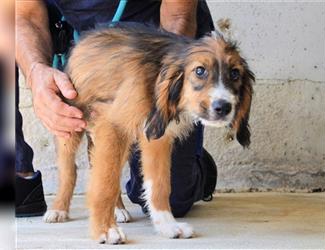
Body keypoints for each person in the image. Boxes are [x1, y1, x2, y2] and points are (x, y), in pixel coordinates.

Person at [15, 0, 218, 218]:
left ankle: (193, 163)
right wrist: (36, 73)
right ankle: (16, 169)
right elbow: (23, 15)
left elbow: (178, 16)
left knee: (172, 199)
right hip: (77, 37)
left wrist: (153, 95)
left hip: (154, 43)